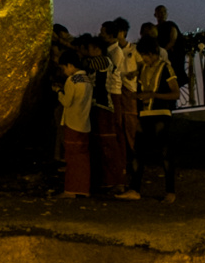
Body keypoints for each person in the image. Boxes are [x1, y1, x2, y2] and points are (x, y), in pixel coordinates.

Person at [90, 30, 138, 199]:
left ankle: (116, 181)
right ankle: (112, 180)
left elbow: (98, 83)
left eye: (91, 49)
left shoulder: (101, 62)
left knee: (109, 143)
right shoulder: (107, 61)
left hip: (106, 105)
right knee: (109, 143)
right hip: (107, 104)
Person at [135, 33, 180, 201]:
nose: (144, 59)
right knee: (138, 152)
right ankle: (134, 189)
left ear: (152, 54)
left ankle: (170, 191)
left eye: (145, 56)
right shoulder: (144, 69)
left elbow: (175, 94)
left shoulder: (166, 68)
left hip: (161, 115)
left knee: (165, 153)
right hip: (145, 114)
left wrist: (154, 94)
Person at [106, 17, 141, 191]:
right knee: (119, 125)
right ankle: (125, 162)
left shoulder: (132, 49)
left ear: (124, 32)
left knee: (130, 125)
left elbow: (141, 65)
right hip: (119, 90)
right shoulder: (112, 51)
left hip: (130, 90)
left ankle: (133, 159)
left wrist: (134, 74)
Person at [55, 44, 93, 197]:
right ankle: (84, 189)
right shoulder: (87, 79)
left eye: (64, 68)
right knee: (83, 159)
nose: (64, 72)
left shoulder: (72, 80)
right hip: (85, 122)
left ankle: (70, 190)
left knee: (71, 159)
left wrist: (58, 92)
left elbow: (66, 102)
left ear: (70, 65)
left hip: (73, 123)